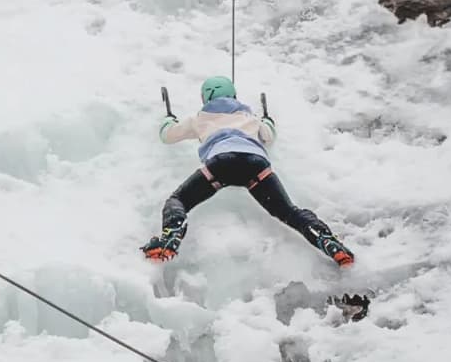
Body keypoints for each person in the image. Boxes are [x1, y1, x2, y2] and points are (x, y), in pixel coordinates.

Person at [141, 75, 354, 266]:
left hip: (221, 164)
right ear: (233, 95)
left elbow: (168, 136)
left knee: (178, 200)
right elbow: (268, 135)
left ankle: (171, 236)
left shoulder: (199, 119)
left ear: (205, 99)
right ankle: (328, 241)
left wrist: (168, 121)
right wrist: (267, 121)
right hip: (256, 166)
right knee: (289, 212)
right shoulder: (249, 117)